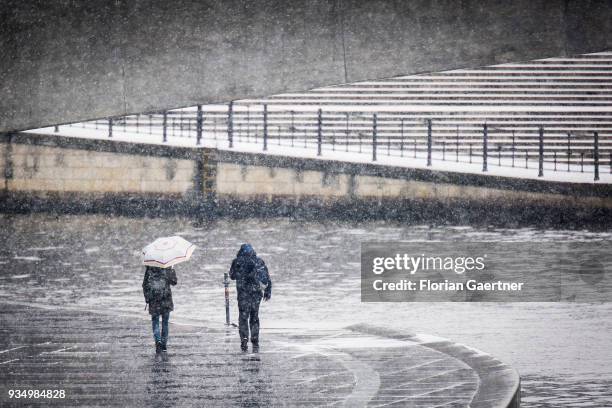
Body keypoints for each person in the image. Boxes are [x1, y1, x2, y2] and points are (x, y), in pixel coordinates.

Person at [229, 244, 272, 352]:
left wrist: (239, 271)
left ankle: (244, 339)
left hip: (243, 294)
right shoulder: (259, 261)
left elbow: (232, 276)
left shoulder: (237, 261)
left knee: (243, 317)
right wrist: (267, 291)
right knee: (254, 317)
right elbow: (266, 277)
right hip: (256, 294)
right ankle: (255, 339)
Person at [142, 266, 177, 353]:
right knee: (165, 322)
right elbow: (174, 282)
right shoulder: (168, 267)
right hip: (166, 298)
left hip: (154, 299)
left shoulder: (150, 268)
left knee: (155, 321)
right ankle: (164, 344)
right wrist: (171, 271)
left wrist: (147, 297)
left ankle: (158, 341)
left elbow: (145, 284)